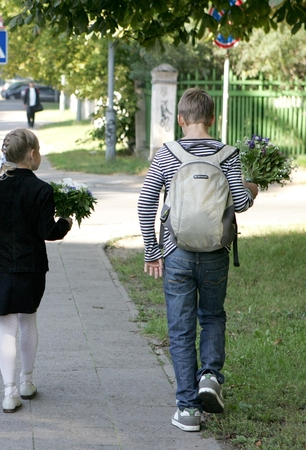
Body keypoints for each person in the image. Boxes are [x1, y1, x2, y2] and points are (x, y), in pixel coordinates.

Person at [137, 88, 258, 432]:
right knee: (213, 316)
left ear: (181, 119)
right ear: (213, 118)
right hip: (216, 252)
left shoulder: (167, 154)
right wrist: (253, 188)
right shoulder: (227, 154)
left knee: (180, 328)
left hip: (176, 253)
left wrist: (152, 250)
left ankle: (188, 408)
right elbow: (240, 202)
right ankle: (210, 376)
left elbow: (146, 204)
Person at [0, 128, 72, 413]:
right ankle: (27, 381)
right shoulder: (41, 189)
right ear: (32, 154)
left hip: (1, 265)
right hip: (32, 266)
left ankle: (9, 392)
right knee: (28, 320)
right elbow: (48, 231)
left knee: (6, 329)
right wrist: (66, 223)